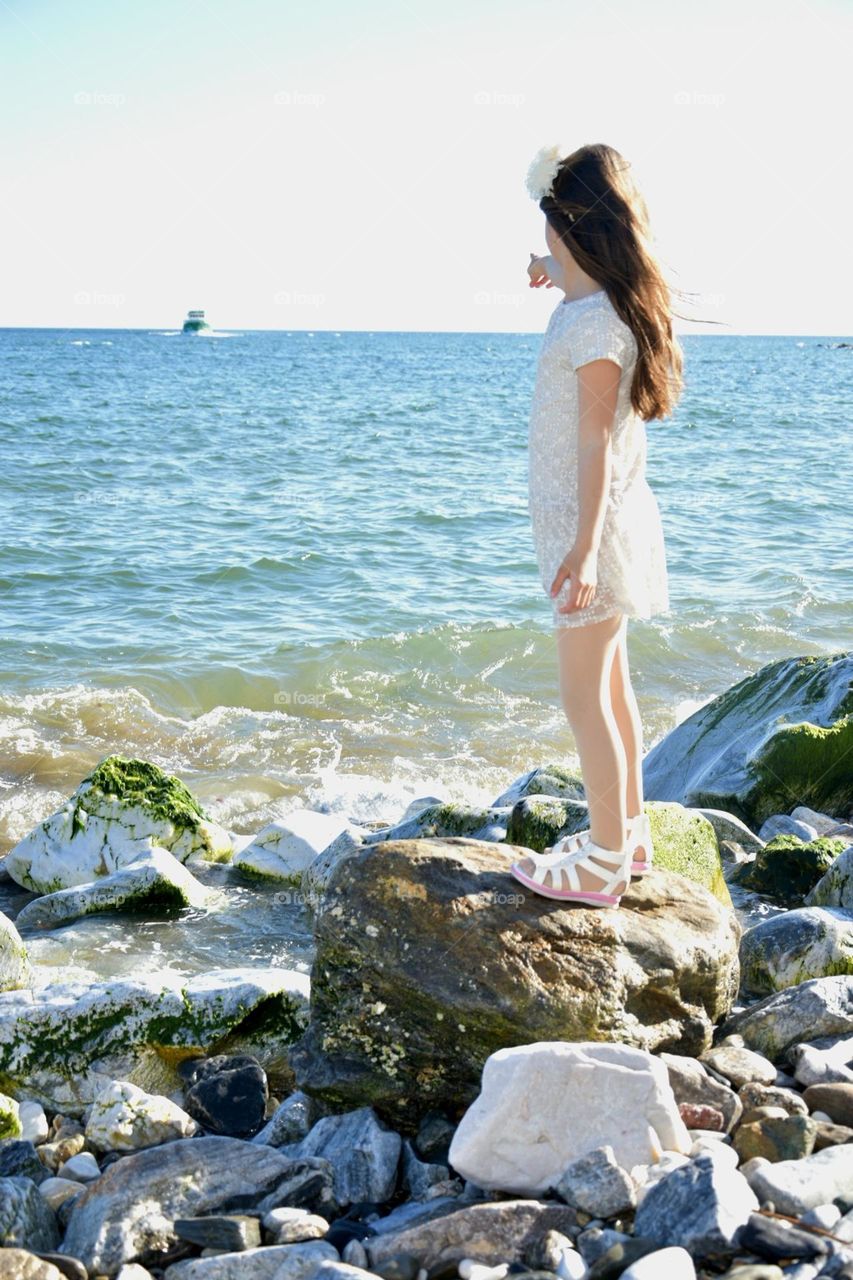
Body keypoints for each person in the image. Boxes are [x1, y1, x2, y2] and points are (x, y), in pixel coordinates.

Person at [509, 142, 685, 908]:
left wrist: (581, 551)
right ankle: (629, 833)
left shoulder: (593, 329)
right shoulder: (597, 306)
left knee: (584, 696)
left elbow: (593, 445)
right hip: (593, 526)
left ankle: (604, 861)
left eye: (549, 228)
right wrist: (559, 273)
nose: (541, 241)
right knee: (610, 685)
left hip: (589, 529)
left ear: (571, 227)